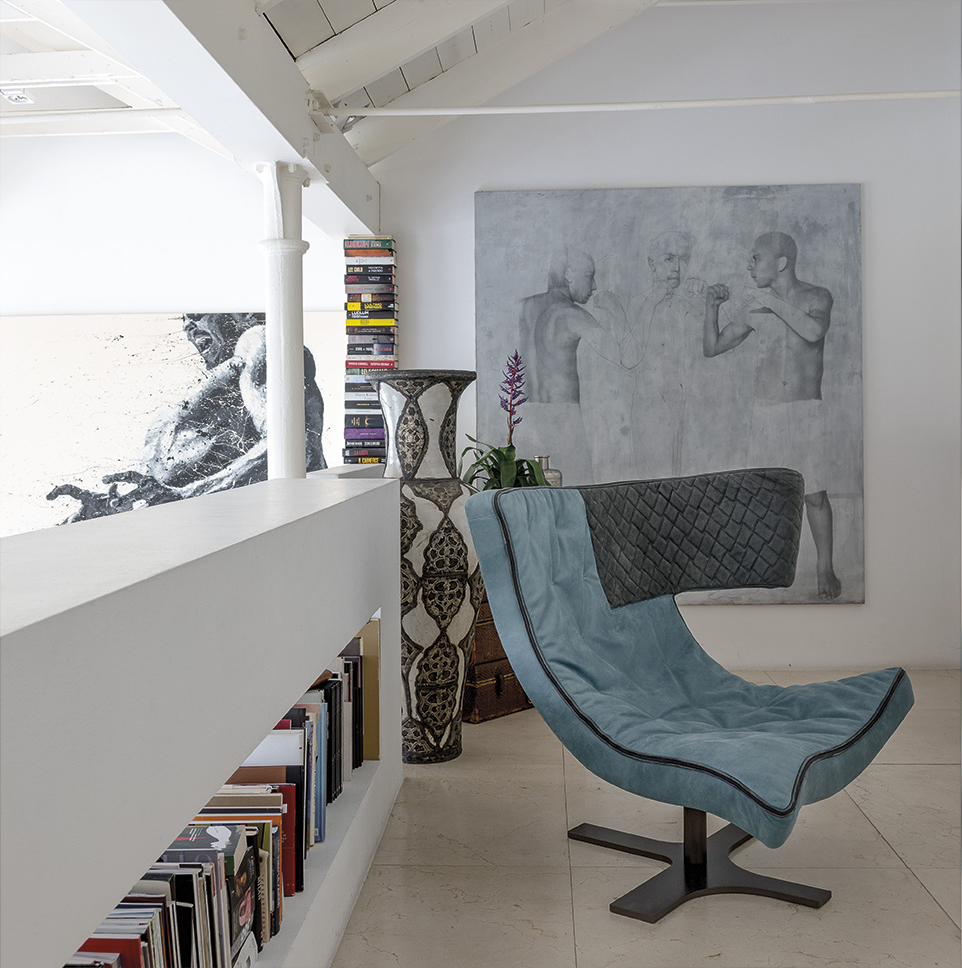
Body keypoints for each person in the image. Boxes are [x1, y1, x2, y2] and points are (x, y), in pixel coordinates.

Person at [47, 314, 326, 521]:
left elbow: (292, 447)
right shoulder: (174, 414)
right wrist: (112, 506)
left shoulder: (256, 342)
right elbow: (156, 495)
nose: (190, 323)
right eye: (185, 317)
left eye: (200, 311)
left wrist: (185, 497)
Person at [703, 231, 841, 600]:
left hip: (805, 411)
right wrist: (711, 307)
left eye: (756, 258)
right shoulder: (755, 308)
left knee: (814, 495)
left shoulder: (816, 297)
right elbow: (712, 348)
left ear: (780, 263)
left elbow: (813, 331)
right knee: (763, 496)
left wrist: (769, 301)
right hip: (765, 413)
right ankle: (762, 568)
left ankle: (824, 567)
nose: (749, 266)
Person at [517, 249, 631, 484]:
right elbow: (626, 359)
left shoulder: (524, 307)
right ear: (569, 274)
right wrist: (617, 311)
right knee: (579, 487)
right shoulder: (572, 314)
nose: (594, 285)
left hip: (525, 416)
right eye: (589, 275)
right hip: (562, 417)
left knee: (531, 493)